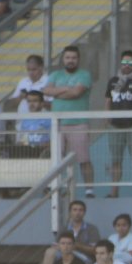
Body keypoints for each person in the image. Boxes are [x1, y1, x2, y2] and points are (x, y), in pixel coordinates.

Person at [43, 46, 94, 196]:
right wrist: (67, 90)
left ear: (78, 59)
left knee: (83, 158)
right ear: (63, 59)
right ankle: (58, 187)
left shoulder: (84, 75)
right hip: (57, 123)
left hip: (78, 122)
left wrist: (58, 92)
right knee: (57, 159)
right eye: (67, 57)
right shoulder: (55, 74)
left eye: (73, 58)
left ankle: (89, 189)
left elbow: (76, 93)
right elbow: (46, 91)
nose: (70, 60)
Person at [105, 50, 132, 198]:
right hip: (115, 126)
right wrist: (107, 120)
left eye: (130, 63)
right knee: (115, 161)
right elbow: (107, 101)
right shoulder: (113, 81)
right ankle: (113, 192)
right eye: (124, 62)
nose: (127, 66)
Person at [42, 200, 99, 264]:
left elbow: (95, 250)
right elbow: (55, 246)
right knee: (49, 252)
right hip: (64, 254)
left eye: (80, 210)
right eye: (74, 210)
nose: (77, 213)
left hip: (83, 256)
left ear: (84, 212)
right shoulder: (64, 228)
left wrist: (77, 245)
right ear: (70, 212)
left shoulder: (91, 228)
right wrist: (66, 247)